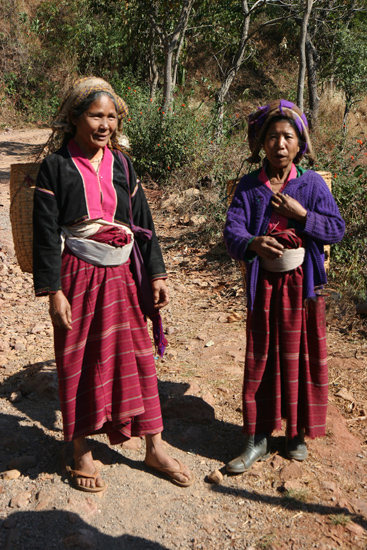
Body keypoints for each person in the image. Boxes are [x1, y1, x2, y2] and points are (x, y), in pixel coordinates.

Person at [33, 77, 194, 491]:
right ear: (74, 119)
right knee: (78, 360)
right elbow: (47, 236)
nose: (105, 124)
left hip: (123, 275)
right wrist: (54, 292)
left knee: (136, 358)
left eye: (111, 117)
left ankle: (153, 445)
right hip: (78, 276)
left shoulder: (123, 164)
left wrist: (156, 273)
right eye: (95, 115)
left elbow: (143, 223)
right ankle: (81, 449)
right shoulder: (56, 166)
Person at [223, 99, 345, 474]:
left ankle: (296, 434)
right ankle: (257, 437)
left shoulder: (310, 185)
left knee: (299, 357)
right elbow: (232, 232)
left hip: (302, 290)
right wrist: (254, 243)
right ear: (262, 143)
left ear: (299, 145)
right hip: (263, 287)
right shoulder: (249, 187)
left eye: (287, 137)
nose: (279, 144)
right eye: (272, 136)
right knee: (261, 358)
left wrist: (303, 215)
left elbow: (336, 229)